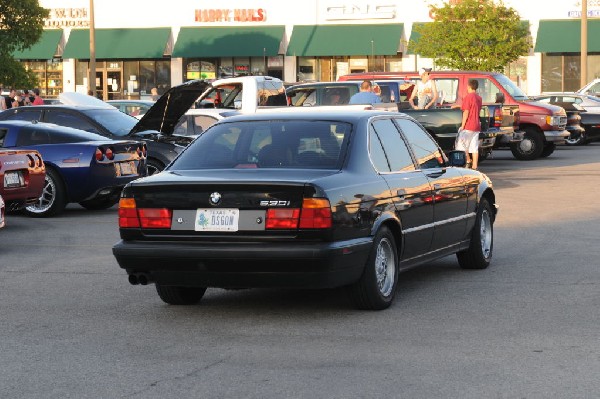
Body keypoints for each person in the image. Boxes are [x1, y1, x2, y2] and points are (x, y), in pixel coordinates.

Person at [455, 79, 483, 170]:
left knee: (461, 143)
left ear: (469, 86)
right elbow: (473, 108)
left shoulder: (468, 97)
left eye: (467, 86)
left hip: (468, 125)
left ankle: (468, 160)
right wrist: (458, 106)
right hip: (477, 125)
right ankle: (475, 166)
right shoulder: (479, 98)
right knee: (474, 146)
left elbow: (466, 111)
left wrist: (462, 125)